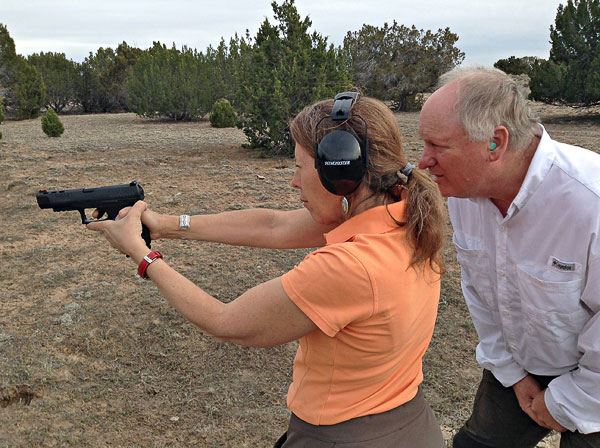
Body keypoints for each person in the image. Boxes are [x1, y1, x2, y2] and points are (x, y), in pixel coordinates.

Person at [87, 93, 448, 447]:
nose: (294, 182)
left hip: (343, 437)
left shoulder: (349, 267)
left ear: (340, 171)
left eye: (300, 167)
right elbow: (273, 226)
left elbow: (225, 322)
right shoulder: (404, 213)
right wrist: (165, 225)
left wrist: (142, 255)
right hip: (411, 423)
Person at [418, 66, 600, 447]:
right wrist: (513, 375)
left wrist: (566, 403)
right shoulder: (466, 192)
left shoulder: (589, 201)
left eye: (438, 146)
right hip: (520, 364)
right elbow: (479, 290)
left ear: (495, 143)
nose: (423, 161)